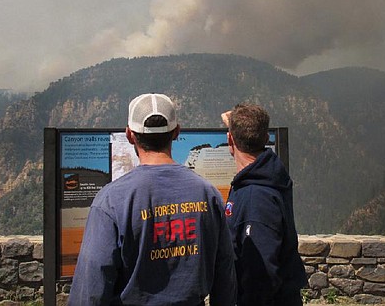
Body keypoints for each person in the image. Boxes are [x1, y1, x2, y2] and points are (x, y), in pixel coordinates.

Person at [69, 93, 237, 306]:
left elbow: (91, 285)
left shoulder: (112, 200)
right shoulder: (208, 194)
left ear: (130, 135)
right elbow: (225, 273)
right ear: (176, 132)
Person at [222, 104, 307, 306]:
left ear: (230, 140)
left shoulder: (255, 199)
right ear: (266, 138)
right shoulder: (269, 175)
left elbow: (260, 276)